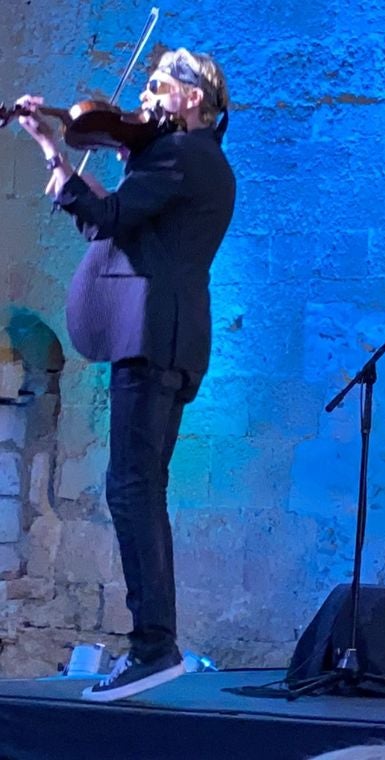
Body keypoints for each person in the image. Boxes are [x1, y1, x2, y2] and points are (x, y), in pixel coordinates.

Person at [13, 47, 236, 701]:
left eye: (159, 84)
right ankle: (155, 646)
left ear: (193, 98)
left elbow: (106, 218)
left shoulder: (181, 154)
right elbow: (117, 224)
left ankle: (154, 648)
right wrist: (54, 148)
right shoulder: (197, 160)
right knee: (140, 492)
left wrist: (60, 158)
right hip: (171, 339)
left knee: (133, 492)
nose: (144, 96)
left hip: (151, 338)